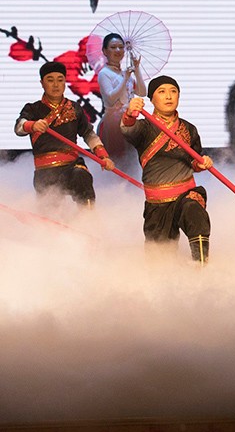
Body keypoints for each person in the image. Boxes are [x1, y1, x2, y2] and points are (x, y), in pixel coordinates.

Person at [121, 76, 212, 263]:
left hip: (186, 194)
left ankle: (202, 268)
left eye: (173, 91)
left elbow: (194, 162)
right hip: (157, 204)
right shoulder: (143, 128)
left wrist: (202, 163)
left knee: (194, 212)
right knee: (159, 259)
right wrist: (130, 114)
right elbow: (128, 130)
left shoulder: (189, 129)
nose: (169, 96)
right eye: (161, 92)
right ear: (152, 99)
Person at [15, 61, 114, 206]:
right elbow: (19, 127)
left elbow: (88, 133)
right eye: (50, 80)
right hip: (45, 171)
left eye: (60, 80)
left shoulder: (74, 108)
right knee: (50, 211)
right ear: (42, 83)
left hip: (72, 166)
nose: (56, 85)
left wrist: (103, 156)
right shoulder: (32, 109)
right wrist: (32, 125)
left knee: (82, 176)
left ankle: (89, 217)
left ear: (65, 82)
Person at [96, 32, 146, 170]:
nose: (118, 50)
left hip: (129, 121)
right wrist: (125, 78)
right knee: (117, 162)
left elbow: (142, 92)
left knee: (133, 161)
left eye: (120, 47)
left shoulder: (125, 73)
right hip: (113, 124)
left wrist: (137, 69)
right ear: (105, 51)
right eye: (113, 47)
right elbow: (111, 98)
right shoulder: (104, 73)